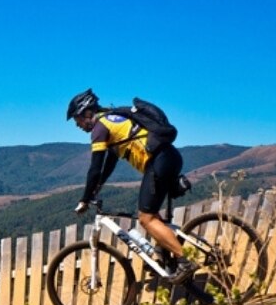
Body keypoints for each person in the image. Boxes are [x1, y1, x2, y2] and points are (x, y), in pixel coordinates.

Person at [66, 88, 198, 284]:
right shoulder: (112, 120)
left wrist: (85, 199)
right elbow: (109, 163)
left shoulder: (99, 128)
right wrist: (98, 186)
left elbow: (95, 168)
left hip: (158, 162)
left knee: (146, 218)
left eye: (77, 119)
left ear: (87, 113)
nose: (77, 125)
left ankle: (185, 262)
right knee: (154, 216)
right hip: (168, 157)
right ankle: (164, 255)